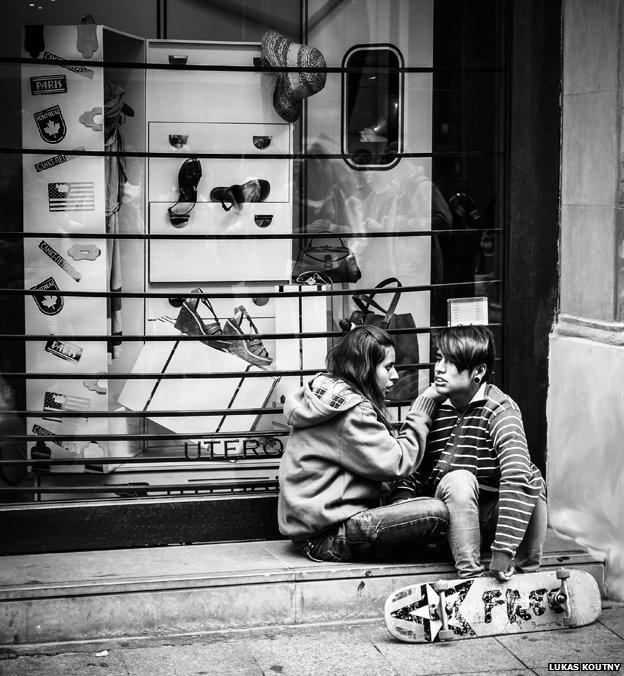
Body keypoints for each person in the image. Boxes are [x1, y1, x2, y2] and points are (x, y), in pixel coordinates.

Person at [278, 325, 449, 562]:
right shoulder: (351, 413)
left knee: (414, 510)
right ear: (365, 369)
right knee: (436, 512)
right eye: (388, 367)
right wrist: (423, 407)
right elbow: (398, 462)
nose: (396, 375)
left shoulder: (331, 399)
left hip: (313, 531)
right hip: (328, 536)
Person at [391, 325, 547, 581]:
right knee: (458, 479)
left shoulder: (500, 410)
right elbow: (409, 464)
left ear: (479, 371)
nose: (439, 368)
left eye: (451, 362)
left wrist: (503, 551)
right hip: (446, 523)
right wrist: (402, 499)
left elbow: (516, 473)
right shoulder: (433, 404)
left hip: (493, 521)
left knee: (531, 477)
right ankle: (470, 578)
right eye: (439, 358)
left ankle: (525, 576)